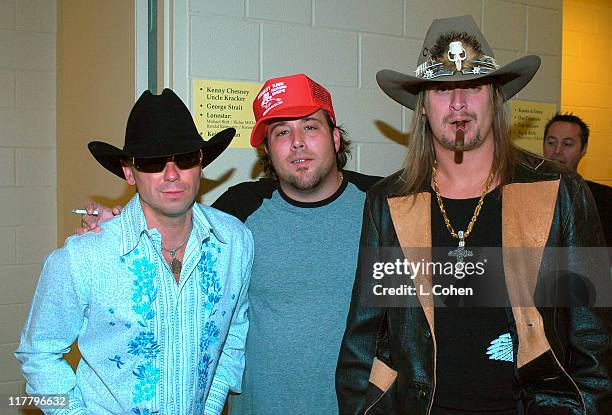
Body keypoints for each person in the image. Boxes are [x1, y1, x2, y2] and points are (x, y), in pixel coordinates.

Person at [336, 15, 611, 415]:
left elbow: (594, 343)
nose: (459, 104)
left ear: (495, 96)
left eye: (473, 87)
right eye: (443, 89)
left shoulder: (557, 192)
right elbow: (365, 340)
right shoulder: (392, 202)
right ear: (423, 106)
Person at [79, 74, 381, 414]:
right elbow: (168, 228)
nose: (297, 142)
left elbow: (420, 314)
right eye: (281, 131)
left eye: (310, 127)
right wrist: (117, 225)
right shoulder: (239, 211)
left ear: (336, 139)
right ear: (267, 149)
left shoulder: (385, 206)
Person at [15, 89, 254, 415]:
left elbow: (233, 334)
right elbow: (39, 353)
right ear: (129, 172)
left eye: (185, 159)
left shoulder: (236, 244)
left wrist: (211, 407)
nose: (172, 174)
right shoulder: (83, 258)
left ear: (201, 164)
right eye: (154, 162)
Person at [543, 112, 611, 245]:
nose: (557, 151)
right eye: (551, 142)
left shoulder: (605, 200)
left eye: (567, 144)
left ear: (583, 149)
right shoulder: (525, 194)